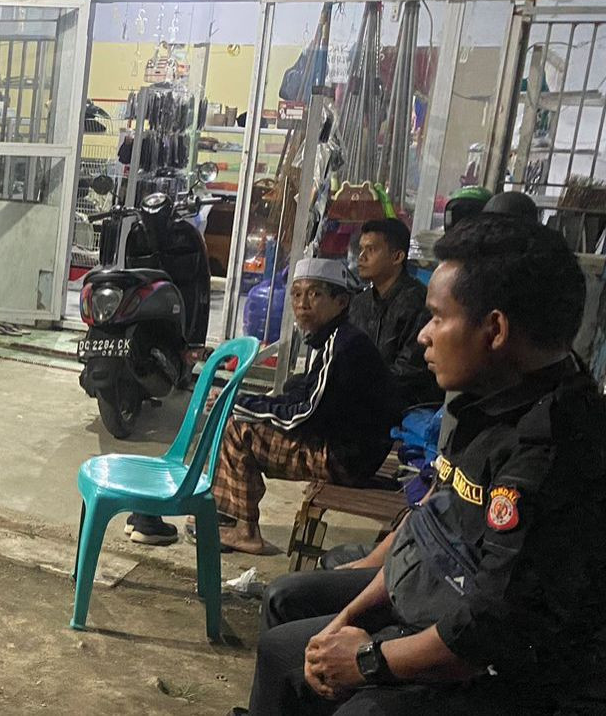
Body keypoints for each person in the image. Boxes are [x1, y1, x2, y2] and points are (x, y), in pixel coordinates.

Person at [239, 217, 606, 716]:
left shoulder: (550, 450)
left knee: (363, 710)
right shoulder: (483, 400)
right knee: (286, 639)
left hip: (510, 671)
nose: (422, 338)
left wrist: (368, 661)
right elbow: (428, 526)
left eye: (436, 318)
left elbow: (489, 629)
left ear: (495, 330)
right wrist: (344, 621)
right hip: (436, 598)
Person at [212, 257, 402, 555]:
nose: (302, 304)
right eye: (297, 294)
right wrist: (246, 402)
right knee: (259, 406)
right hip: (352, 450)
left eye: (315, 294)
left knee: (237, 430)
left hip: (344, 459)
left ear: (340, 302)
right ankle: (228, 515)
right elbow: (299, 397)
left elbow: (304, 413)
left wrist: (238, 404)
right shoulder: (333, 339)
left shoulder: (342, 345)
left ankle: (245, 531)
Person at [349, 218, 441, 407]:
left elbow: (408, 372)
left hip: (405, 407)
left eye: (371, 250)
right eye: (361, 249)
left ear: (397, 257)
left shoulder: (418, 303)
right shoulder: (359, 303)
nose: (361, 257)